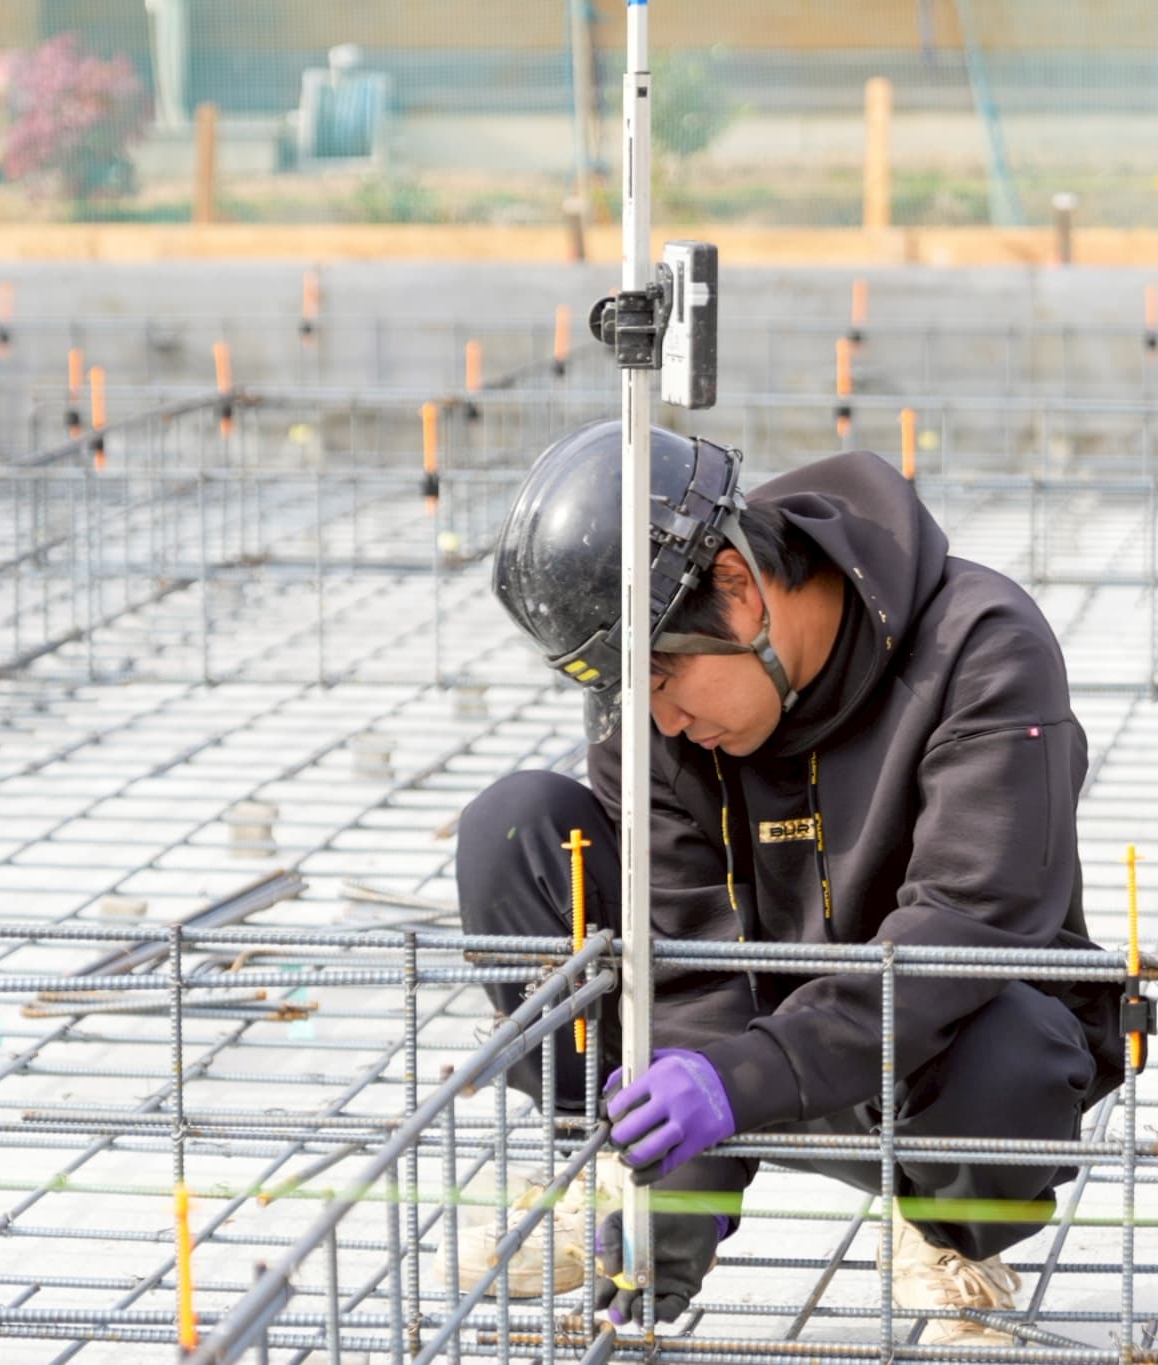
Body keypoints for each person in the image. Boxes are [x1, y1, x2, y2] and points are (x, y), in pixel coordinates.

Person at [454, 419, 1122, 1343]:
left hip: (921, 1056)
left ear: (739, 588)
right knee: (517, 828)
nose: (663, 717)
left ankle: (948, 1235)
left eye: (665, 675)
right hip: (738, 1054)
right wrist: (673, 1198)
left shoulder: (980, 645)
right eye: (631, 691)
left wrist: (744, 1076)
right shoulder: (661, 724)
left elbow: (969, 916)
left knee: (1012, 1049)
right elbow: (687, 970)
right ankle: (613, 1167)